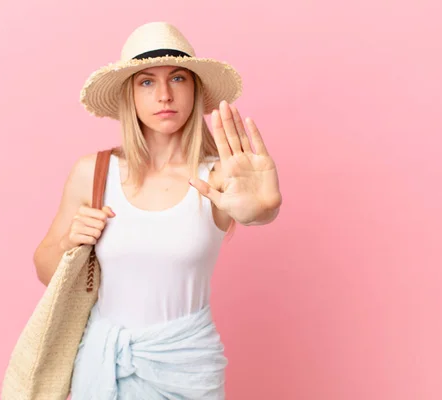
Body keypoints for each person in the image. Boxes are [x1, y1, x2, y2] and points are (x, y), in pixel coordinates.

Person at [33, 21, 282, 399]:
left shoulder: (217, 175)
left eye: (178, 78)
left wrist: (263, 209)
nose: (164, 94)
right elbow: (46, 268)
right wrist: (70, 241)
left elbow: (254, 211)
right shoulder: (95, 172)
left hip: (187, 369)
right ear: (129, 96)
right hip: (103, 368)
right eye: (146, 82)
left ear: (195, 90)